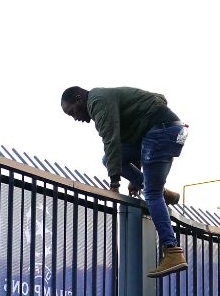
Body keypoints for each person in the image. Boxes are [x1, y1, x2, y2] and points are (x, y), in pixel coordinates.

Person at [60, 85, 188, 278]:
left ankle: (172, 251)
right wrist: (135, 177)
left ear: (79, 99)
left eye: (72, 112)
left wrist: (114, 185)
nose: (75, 118)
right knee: (110, 160)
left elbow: (111, 140)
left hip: (161, 132)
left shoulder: (97, 102)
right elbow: (130, 138)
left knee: (151, 195)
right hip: (163, 131)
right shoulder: (103, 99)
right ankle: (159, 191)